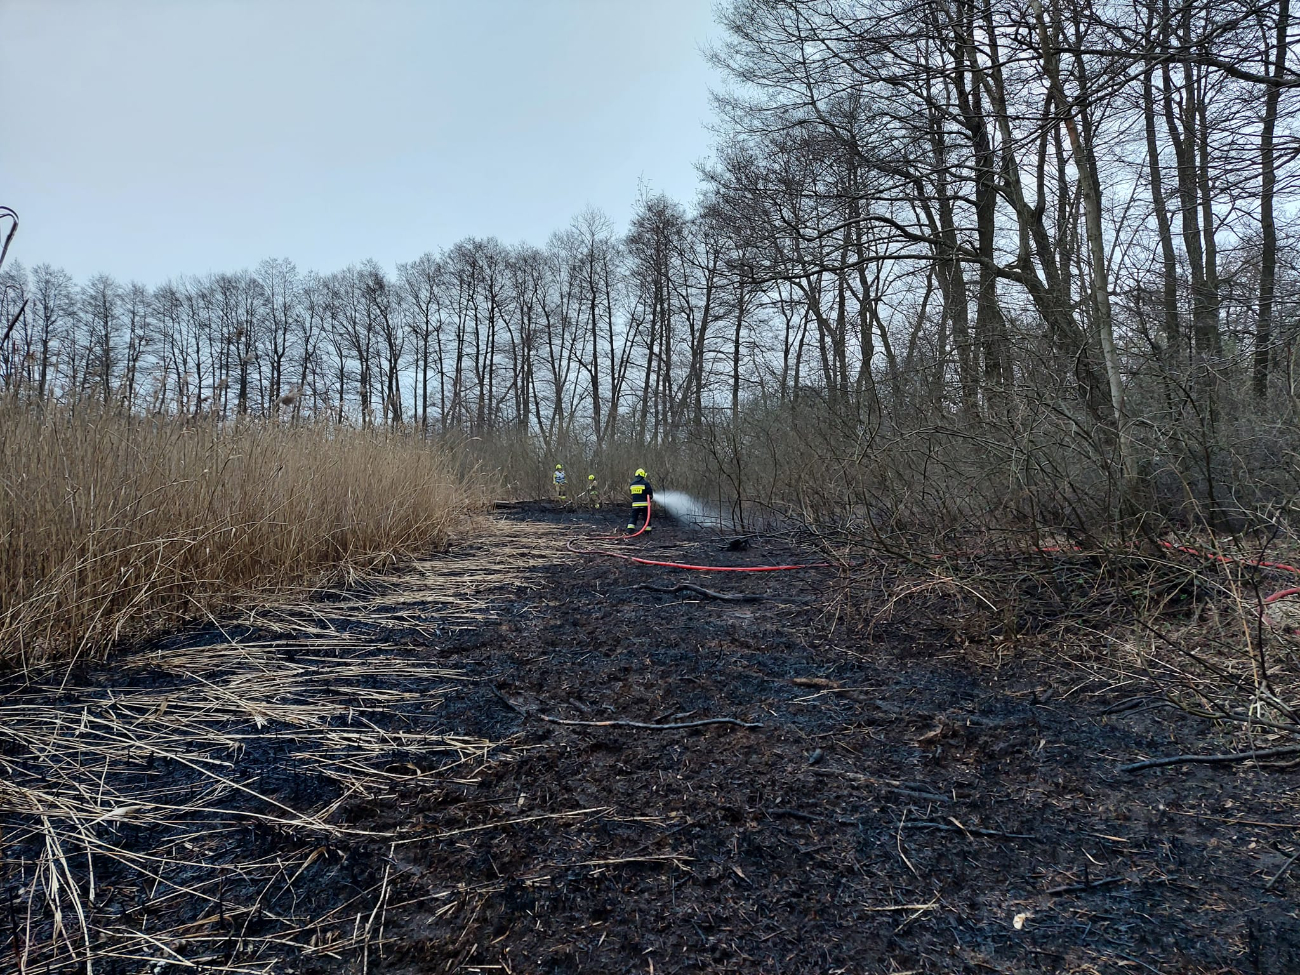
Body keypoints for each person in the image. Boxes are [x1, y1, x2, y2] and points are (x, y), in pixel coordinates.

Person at [627, 468, 654, 532]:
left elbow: (632, 493)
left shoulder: (632, 484)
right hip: (645, 504)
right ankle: (647, 531)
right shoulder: (646, 483)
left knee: (633, 517)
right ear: (643, 475)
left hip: (635, 504)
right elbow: (650, 493)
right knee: (646, 518)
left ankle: (630, 530)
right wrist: (650, 498)